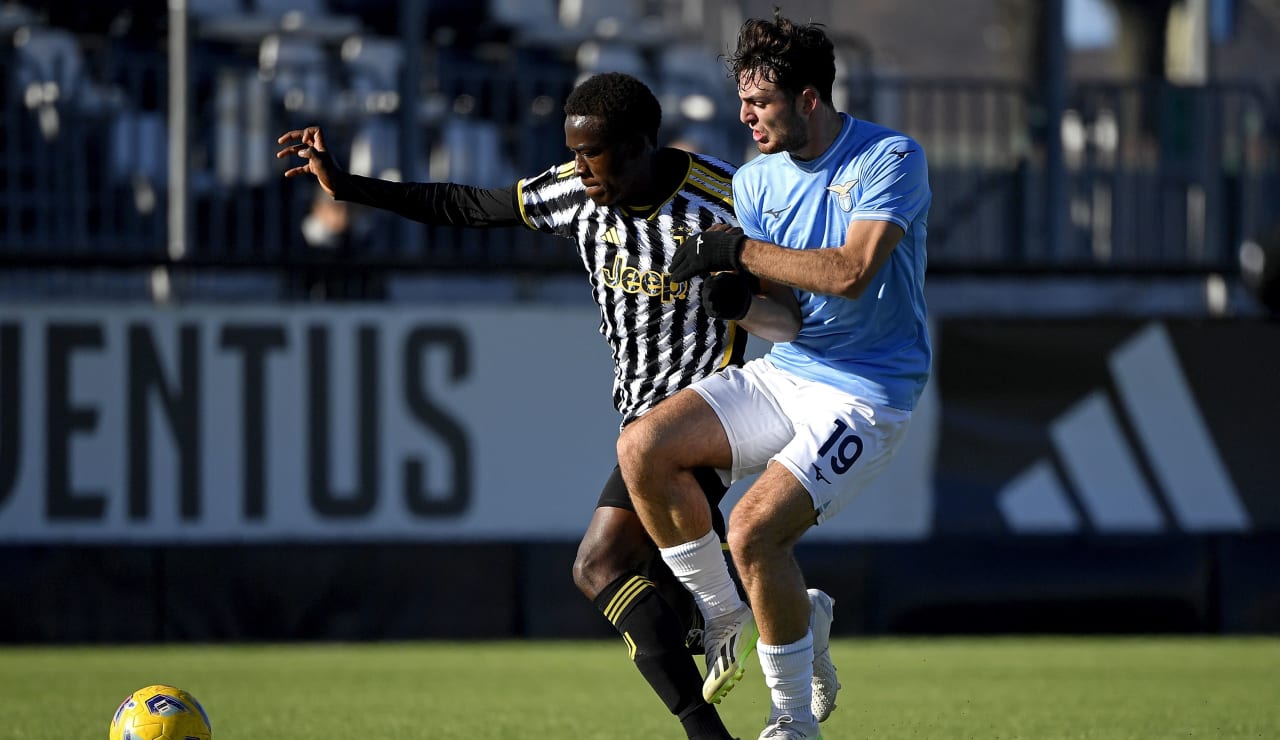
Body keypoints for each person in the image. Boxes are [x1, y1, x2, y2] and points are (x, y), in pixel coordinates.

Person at [276, 72, 801, 740]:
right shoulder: (576, 196)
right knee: (657, 593)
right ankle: (780, 610)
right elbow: (465, 204)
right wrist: (351, 188)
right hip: (642, 424)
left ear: (641, 145)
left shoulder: (724, 199)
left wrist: (745, 304)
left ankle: (707, 729)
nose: (579, 168)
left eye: (594, 153)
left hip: (708, 416)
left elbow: (790, 320)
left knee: (598, 564)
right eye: (573, 152)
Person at [617, 13, 932, 740]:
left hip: (869, 392)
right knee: (643, 450)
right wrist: (743, 304)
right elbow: (789, 320)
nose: (745, 116)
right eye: (742, 101)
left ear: (811, 99)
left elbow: (851, 274)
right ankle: (737, 612)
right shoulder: (756, 182)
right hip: (794, 367)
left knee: (754, 531)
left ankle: (792, 721)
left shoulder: (889, 157)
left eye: (760, 103)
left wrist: (742, 253)